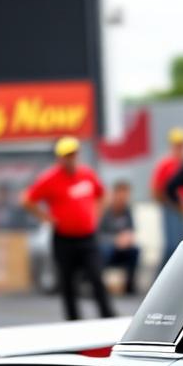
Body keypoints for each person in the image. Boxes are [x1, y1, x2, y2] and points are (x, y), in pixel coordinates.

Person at [21, 137, 113, 321]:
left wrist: (96, 216)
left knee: (96, 276)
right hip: (64, 238)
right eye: (66, 156)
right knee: (68, 282)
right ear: (60, 158)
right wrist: (46, 218)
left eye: (73, 154)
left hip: (87, 237)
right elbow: (27, 200)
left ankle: (107, 316)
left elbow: (102, 195)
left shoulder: (87, 174)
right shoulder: (50, 178)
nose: (70, 159)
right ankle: (73, 320)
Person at [150, 127, 183, 270]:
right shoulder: (165, 165)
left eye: (182, 144)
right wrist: (171, 203)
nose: (180, 148)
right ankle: (161, 277)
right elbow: (155, 190)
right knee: (172, 246)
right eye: (177, 145)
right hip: (171, 208)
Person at [98, 180, 141, 296]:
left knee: (135, 250)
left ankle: (129, 286)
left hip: (123, 246)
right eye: (121, 195)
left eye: (126, 196)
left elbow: (131, 229)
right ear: (115, 194)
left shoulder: (127, 210)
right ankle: (99, 285)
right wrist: (115, 240)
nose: (124, 199)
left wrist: (128, 237)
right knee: (106, 250)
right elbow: (98, 234)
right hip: (107, 246)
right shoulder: (106, 211)